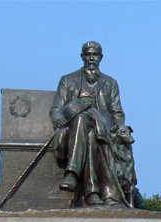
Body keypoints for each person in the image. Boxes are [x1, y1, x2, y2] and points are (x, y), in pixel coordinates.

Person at [50, 41, 129, 206]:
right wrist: (57, 117)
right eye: (88, 54)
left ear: (101, 57)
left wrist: (119, 127)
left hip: (104, 128)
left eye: (95, 55)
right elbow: (56, 109)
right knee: (86, 125)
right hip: (77, 128)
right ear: (82, 57)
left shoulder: (110, 83)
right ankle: (91, 192)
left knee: (91, 128)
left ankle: (72, 175)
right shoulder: (67, 80)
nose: (91, 58)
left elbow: (117, 113)